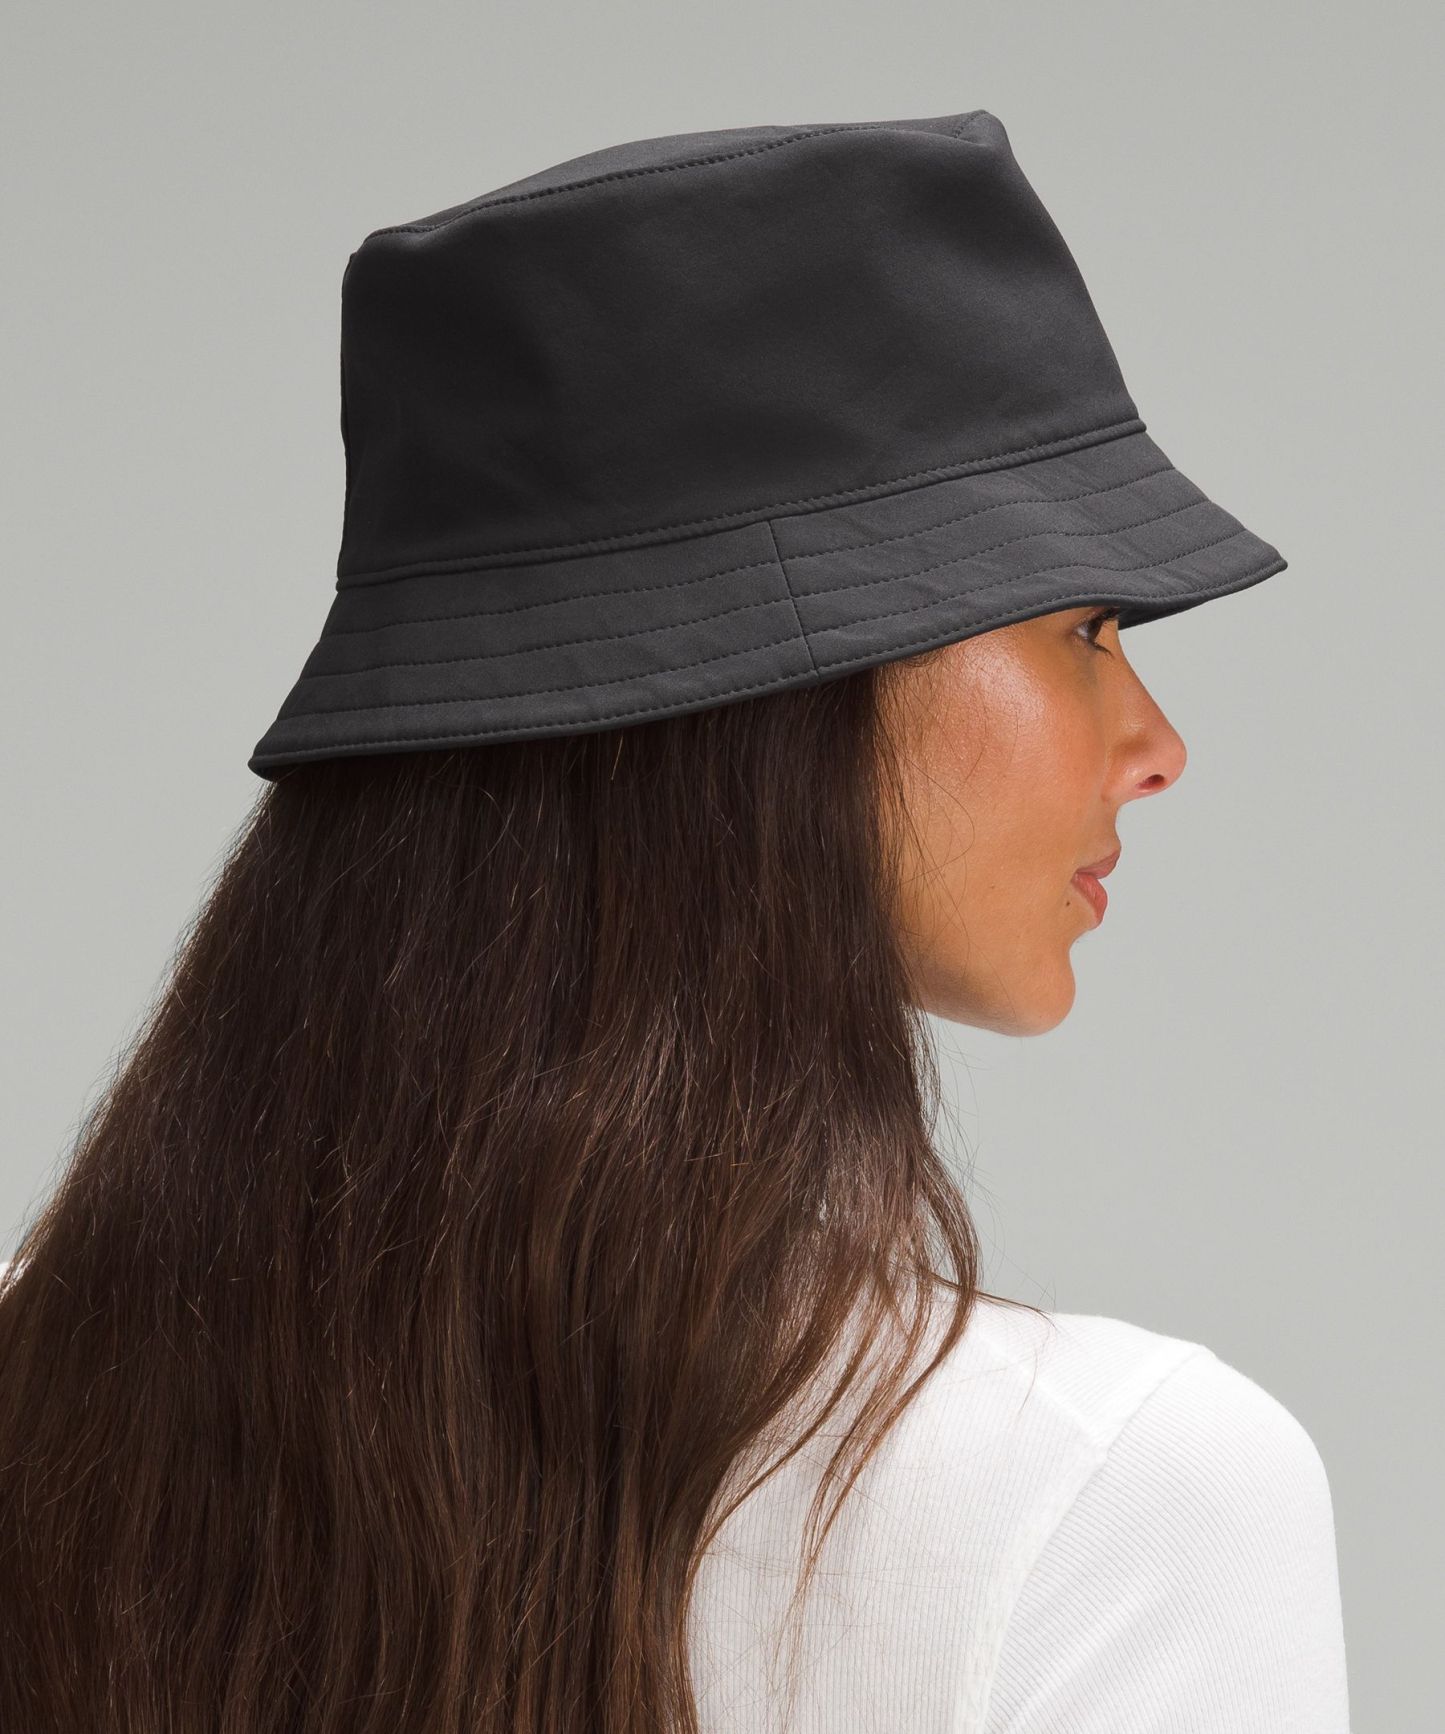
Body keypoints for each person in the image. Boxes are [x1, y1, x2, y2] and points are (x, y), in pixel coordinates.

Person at [0, 110, 1349, 1732]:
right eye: (1084, 626)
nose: (1155, 743)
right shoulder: (1114, 1498)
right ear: (784, 702)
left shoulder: (51, 1380)